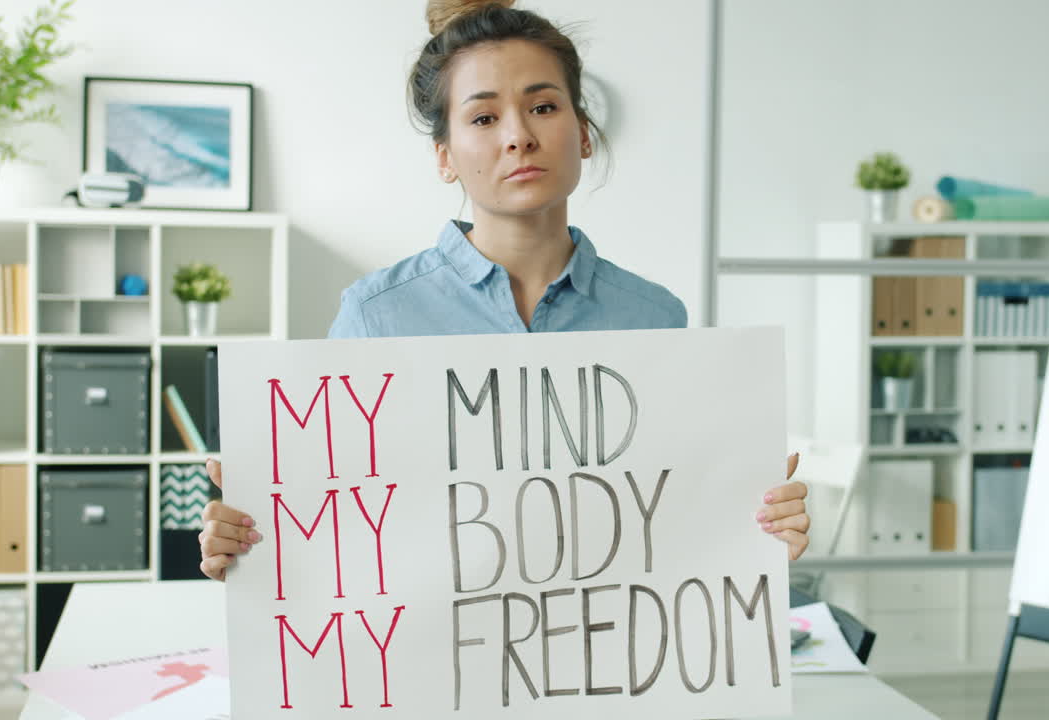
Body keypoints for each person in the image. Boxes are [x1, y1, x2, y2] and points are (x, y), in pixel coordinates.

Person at [198, 0, 810, 582]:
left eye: (543, 107)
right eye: (484, 117)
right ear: (445, 156)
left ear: (585, 132)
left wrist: (754, 528)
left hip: (597, 665)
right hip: (434, 671)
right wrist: (249, 541)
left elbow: (667, 513)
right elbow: (332, 520)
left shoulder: (655, 316)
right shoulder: (375, 316)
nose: (517, 136)